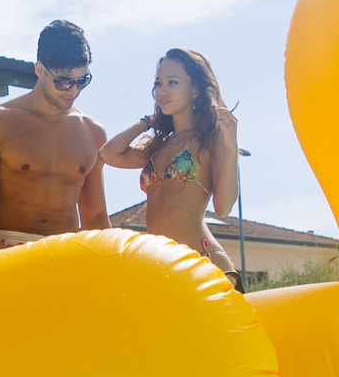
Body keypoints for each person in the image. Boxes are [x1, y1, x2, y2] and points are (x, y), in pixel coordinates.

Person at [0, 20, 108, 253]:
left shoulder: (93, 133)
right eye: (64, 81)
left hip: (66, 254)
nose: (73, 91)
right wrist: (2, 258)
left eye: (82, 81)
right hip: (5, 249)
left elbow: (95, 216)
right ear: (39, 70)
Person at [100, 49, 241, 284]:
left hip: (202, 265)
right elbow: (108, 153)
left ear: (195, 90)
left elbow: (223, 208)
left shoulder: (209, 140)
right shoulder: (158, 147)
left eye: (172, 82)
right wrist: (148, 121)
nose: (161, 91)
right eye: (158, 83)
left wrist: (231, 145)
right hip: (163, 268)